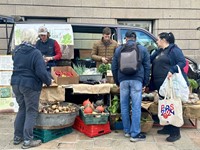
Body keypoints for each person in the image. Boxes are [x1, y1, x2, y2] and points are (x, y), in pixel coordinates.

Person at [11, 28, 52, 149]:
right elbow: (40, 72)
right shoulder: (35, 53)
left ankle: (17, 137)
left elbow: (21, 64)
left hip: (16, 83)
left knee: (22, 108)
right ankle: (28, 140)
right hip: (30, 85)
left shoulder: (16, 50)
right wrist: (49, 81)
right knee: (31, 111)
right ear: (33, 38)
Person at [111, 30, 150, 142]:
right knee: (136, 107)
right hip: (137, 80)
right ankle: (135, 134)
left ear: (126, 38)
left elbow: (114, 67)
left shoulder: (119, 50)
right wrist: (145, 82)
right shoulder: (142, 49)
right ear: (135, 38)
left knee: (124, 105)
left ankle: (127, 131)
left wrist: (117, 81)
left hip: (123, 80)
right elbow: (147, 67)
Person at [150, 32, 188, 142]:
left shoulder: (174, 50)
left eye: (158, 39)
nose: (156, 41)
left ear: (164, 40)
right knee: (165, 106)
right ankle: (167, 127)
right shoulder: (159, 51)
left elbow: (182, 62)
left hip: (170, 85)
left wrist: (172, 70)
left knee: (172, 106)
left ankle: (176, 132)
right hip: (160, 85)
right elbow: (150, 59)